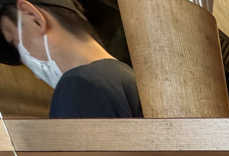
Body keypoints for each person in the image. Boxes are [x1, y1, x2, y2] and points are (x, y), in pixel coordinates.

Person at [0, 0, 141, 118]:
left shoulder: (80, 85)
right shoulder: (126, 78)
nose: (24, 61)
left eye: (14, 41)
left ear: (33, 17)